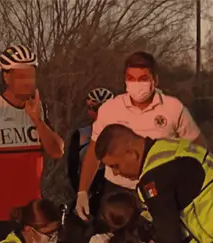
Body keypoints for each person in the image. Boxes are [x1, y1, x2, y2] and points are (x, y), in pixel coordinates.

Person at [75, 51, 206, 221]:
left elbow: (198, 146)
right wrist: (82, 191)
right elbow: (94, 152)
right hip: (117, 190)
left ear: (155, 80)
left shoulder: (173, 108)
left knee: (161, 235)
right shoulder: (110, 109)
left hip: (161, 189)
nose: (136, 84)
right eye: (131, 78)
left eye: (143, 79)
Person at [0, 45, 64, 243]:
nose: (27, 81)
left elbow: (57, 151)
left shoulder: (39, 108)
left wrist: (36, 119)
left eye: (31, 75)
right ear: (6, 76)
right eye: (21, 76)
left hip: (34, 215)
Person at [67, 87, 114, 215]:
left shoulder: (122, 132)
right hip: (89, 186)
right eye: (94, 109)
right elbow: (72, 167)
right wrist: (81, 191)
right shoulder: (81, 134)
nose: (100, 114)